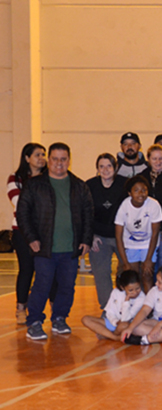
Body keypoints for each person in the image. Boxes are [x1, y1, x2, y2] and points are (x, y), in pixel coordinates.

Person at [19, 143, 94, 341]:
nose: (59, 163)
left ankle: (60, 318)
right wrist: (31, 238)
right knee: (42, 284)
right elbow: (23, 213)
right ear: (48, 160)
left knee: (67, 286)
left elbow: (88, 214)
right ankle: (34, 322)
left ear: (69, 160)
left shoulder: (79, 186)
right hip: (44, 248)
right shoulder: (34, 185)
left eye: (63, 159)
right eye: (55, 159)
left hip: (70, 248)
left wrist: (86, 240)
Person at [9, 142, 47, 324]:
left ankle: (50, 309)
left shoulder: (49, 178)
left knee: (47, 270)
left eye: (43, 154)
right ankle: (20, 308)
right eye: (38, 154)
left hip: (45, 231)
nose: (42, 158)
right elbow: (20, 204)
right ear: (27, 158)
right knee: (26, 269)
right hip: (22, 231)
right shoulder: (14, 179)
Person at [86, 153, 128, 309]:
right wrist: (90, 235)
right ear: (97, 169)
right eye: (101, 166)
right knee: (101, 273)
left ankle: (127, 306)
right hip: (99, 237)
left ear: (115, 168)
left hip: (122, 236)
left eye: (109, 166)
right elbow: (84, 212)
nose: (105, 169)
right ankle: (108, 308)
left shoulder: (125, 184)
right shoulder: (89, 185)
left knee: (128, 271)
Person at [114, 176, 162, 290]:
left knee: (147, 275)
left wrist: (148, 259)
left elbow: (155, 233)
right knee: (133, 276)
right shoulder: (124, 206)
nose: (140, 193)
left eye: (144, 190)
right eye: (136, 190)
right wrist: (125, 262)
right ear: (129, 193)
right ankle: (134, 305)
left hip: (148, 243)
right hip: (131, 243)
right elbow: (118, 236)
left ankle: (149, 306)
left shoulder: (154, 205)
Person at [81, 270, 145, 341]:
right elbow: (110, 312)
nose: (135, 292)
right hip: (113, 322)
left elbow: (125, 319)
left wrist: (126, 301)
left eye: (138, 288)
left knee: (123, 325)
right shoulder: (116, 292)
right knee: (85, 319)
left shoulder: (142, 298)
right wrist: (115, 321)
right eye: (131, 290)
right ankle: (115, 337)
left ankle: (108, 335)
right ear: (123, 287)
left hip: (127, 324)